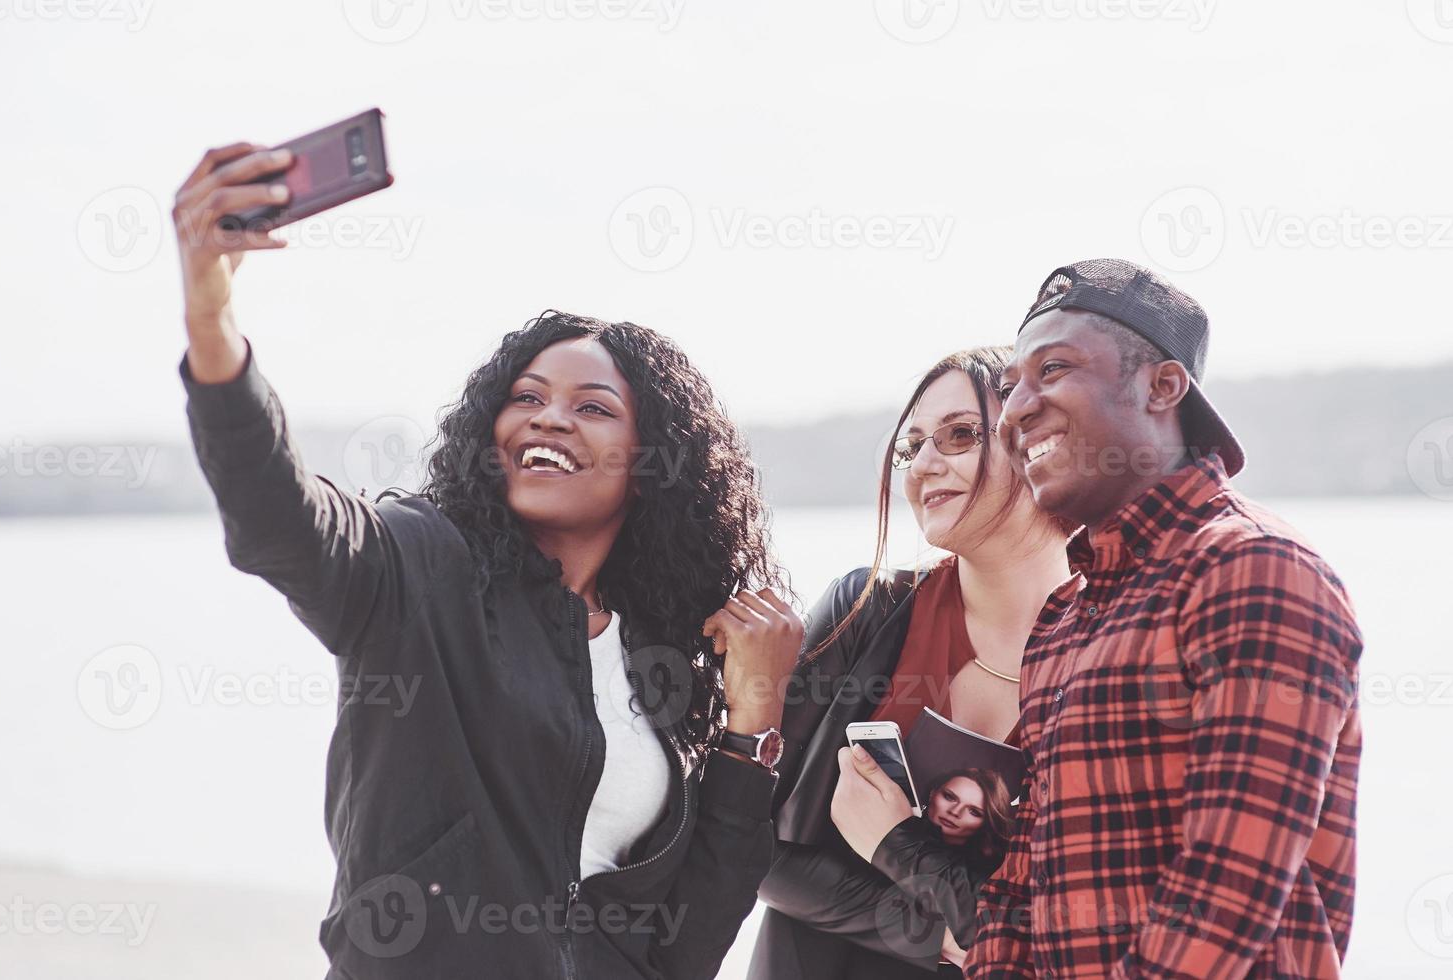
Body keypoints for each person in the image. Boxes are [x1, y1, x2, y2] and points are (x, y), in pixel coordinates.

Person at [171, 142, 805, 979]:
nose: (548, 420)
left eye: (592, 407)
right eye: (527, 398)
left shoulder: (663, 657)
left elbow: (686, 947)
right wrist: (211, 322)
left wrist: (753, 719)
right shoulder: (419, 568)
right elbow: (279, 518)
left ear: (655, 462)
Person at [966, 259, 1363, 978]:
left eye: (1052, 369)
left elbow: (1228, 887)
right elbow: (1018, 884)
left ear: (1162, 386)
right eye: (1009, 386)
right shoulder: (1064, 617)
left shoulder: (1252, 571)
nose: (1014, 411)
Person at [747, 347, 1074, 979]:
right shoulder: (867, 611)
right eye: (911, 445)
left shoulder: (1113, 651)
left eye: (958, 435)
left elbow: (1074, 932)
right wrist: (929, 932)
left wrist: (897, 846)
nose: (923, 465)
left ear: (1039, 445)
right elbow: (746, 839)